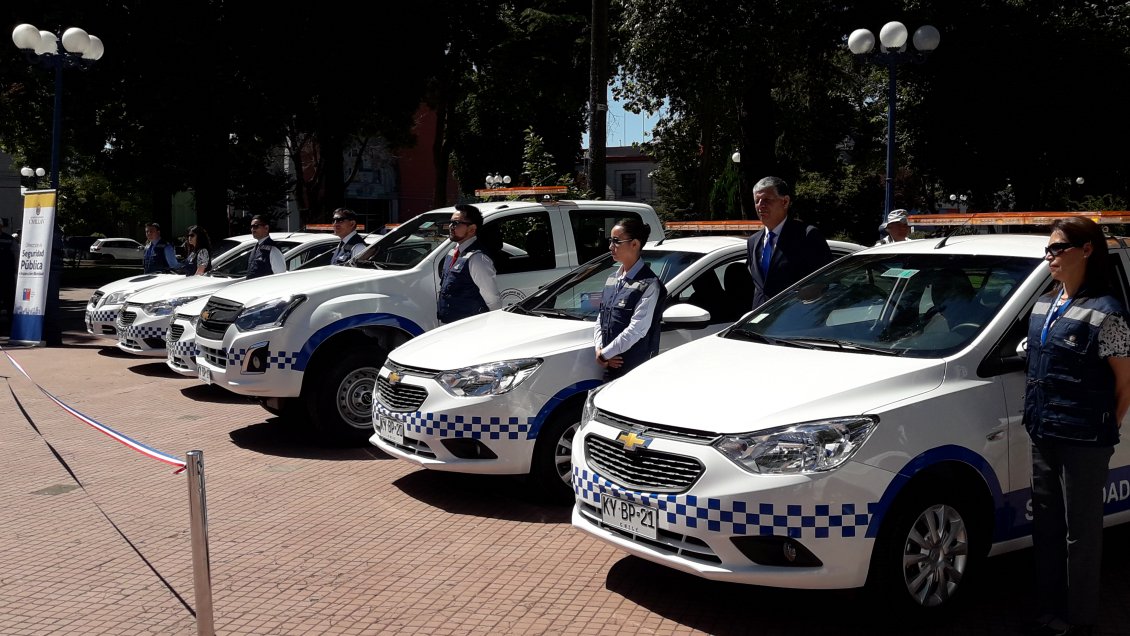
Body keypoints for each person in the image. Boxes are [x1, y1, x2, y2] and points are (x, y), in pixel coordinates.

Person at [1023, 217, 1130, 636]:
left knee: (1081, 535)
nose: (1050, 256)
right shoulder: (1043, 305)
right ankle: (1047, 610)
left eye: (1058, 248)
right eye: (1048, 250)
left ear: (1087, 250)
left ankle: (1078, 618)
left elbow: (1125, 383)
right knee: (1046, 528)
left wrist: (1107, 426)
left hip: (1085, 438)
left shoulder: (1108, 313)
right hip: (1044, 431)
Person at [593, 218, 667, 380]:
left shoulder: (649, 284)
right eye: (610, 241)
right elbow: (601, 318)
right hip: (609, 367)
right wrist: (600, 349)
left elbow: (637, 329)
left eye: (616, 241)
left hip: (635, 371)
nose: (610, 247)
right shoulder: (613, 278)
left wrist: (605, 354)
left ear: (634, 244)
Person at [746, 176, 833, 310]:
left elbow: (824, 282)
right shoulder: (753, 241)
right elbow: (760, 288)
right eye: (757, 201)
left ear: (785, 202)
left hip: (794, 321)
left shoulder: (807, 236)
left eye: (767, 200)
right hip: (758, 324)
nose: (760, 205)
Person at [436, 204, 500, 324]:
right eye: (450, 222)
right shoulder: (452, 253)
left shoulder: (477, 258)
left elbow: (492, 298)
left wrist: (494, 324)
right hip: (450, 324)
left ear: (472, 229)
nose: (450, 226)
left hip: (470, 326)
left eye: (456, 223)